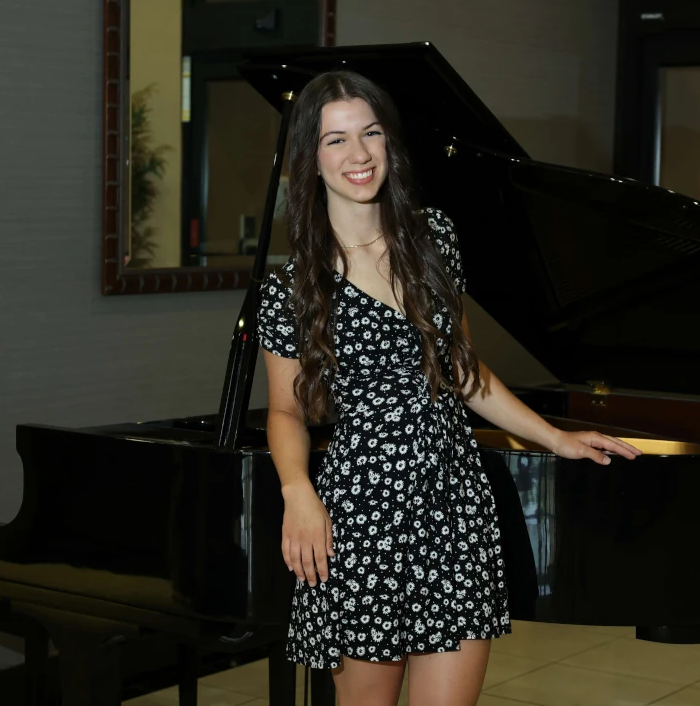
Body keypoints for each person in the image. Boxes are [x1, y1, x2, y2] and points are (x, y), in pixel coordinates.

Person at [256, 70, 641, 706]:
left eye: (371, 134)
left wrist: (554, 438)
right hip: (362, 516)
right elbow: (284, 411)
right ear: (309, 159)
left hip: (455, 502)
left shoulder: (433, 240)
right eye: (336, 140)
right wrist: (298, 492)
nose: (359, 155)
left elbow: (461, 370)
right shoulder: (293, 288)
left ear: (389, 143)